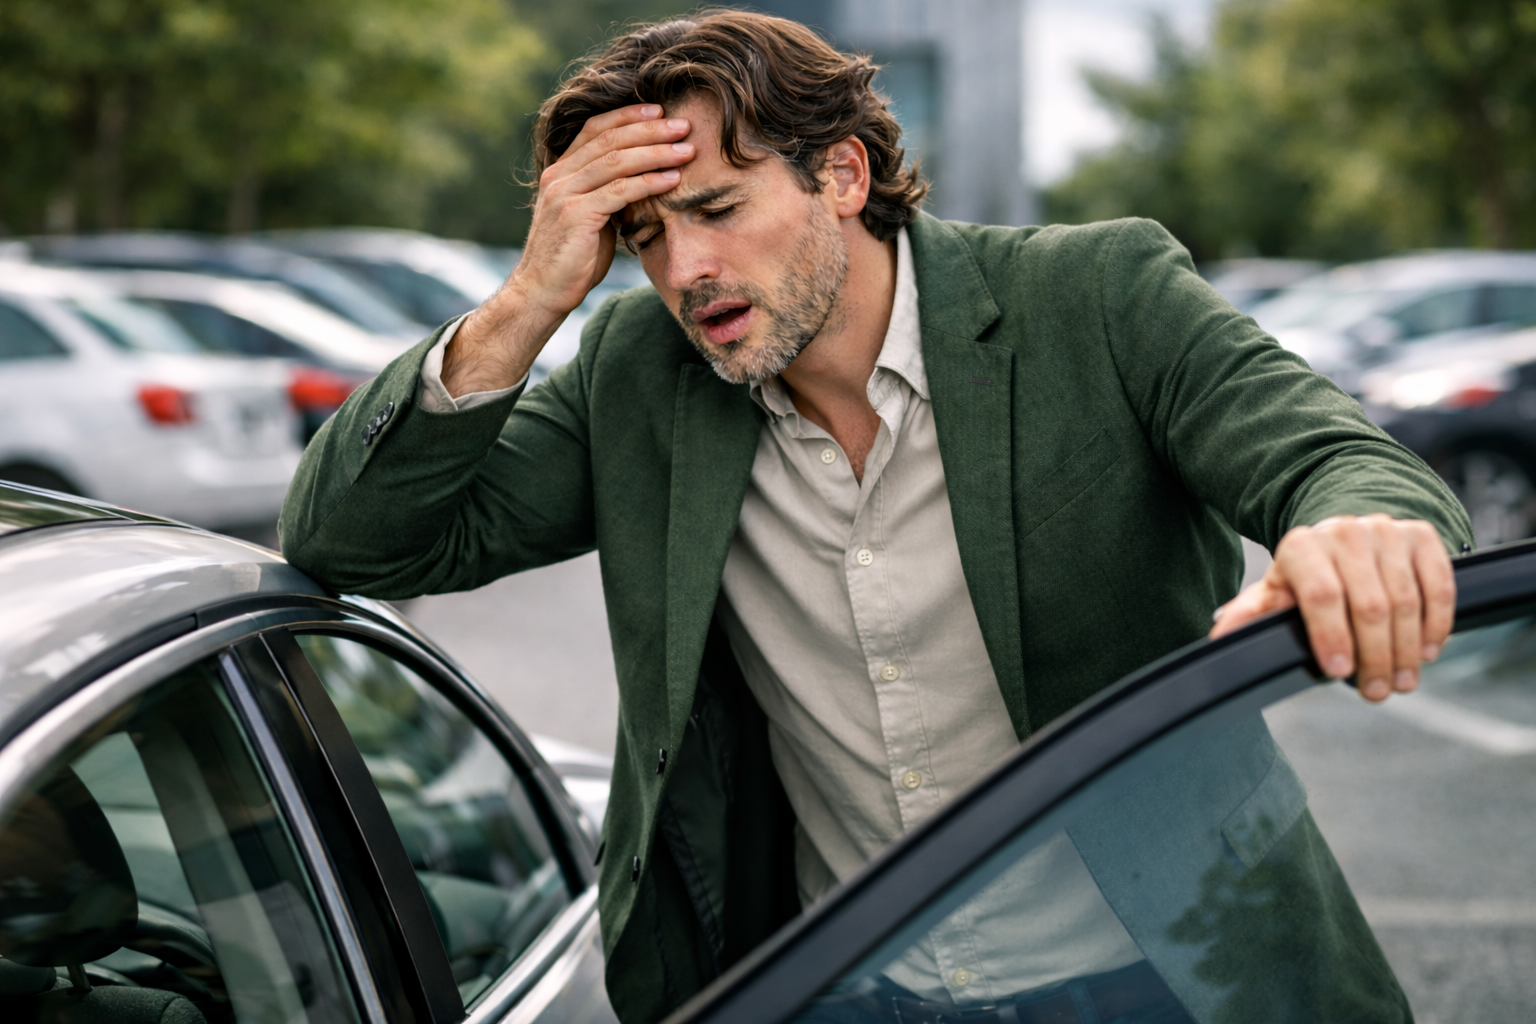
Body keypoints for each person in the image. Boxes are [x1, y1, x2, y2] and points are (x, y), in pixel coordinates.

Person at [279, 11, 1470, 1024]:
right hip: (844, 983)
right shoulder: (641, 372)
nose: (687, 268)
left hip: (1165, 969)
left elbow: (1341, 461)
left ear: (841, 176)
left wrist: (1357, 527)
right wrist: (531, 299)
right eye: (645, 236)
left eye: (718, 206)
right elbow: (355, 540)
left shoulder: (1095, 296)